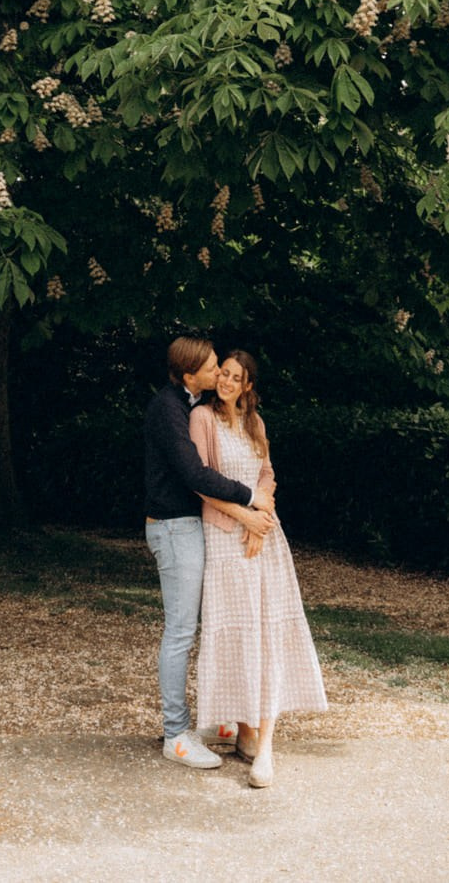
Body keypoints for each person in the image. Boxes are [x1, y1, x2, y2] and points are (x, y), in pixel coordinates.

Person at [189, 350, 327, 788]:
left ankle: (265, 745)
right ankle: (242, 728)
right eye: (223, 374)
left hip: (264, 538)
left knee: (269, 633)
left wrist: (260, 523)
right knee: (237, 633)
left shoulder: (255, 423)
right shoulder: (203, 419)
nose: (226, 381)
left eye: (235, 377)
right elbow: (201, 482)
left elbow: (267, 474)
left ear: (248, 385)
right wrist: (246, 515)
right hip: (225, 536)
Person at [144, 334, 276, 769]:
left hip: (191, 525)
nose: (219, 371)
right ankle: (175, 734)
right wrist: (248, 500)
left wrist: (258, 503)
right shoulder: (169, 408)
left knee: (199, 624)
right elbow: (194, 473)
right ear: (190, 375)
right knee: (180, 630)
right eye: (212, 366)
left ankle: (205, 721)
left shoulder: (191, 406)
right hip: (173, 526)